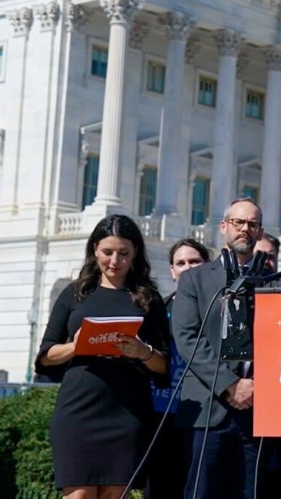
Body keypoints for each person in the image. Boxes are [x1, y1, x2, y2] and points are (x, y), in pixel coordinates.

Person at [36, 214, 171, 499]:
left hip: (127, 411)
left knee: (114, 494)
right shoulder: (75, 294)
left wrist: (142, 351)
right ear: (95, 249)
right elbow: (45, 356)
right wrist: (75, 346)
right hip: (79, 409)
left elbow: (163, 366)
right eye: (107, 252)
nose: (114, 261)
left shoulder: (148, 298)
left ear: (135, 253)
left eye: (123, 253)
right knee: (79, 495)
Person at [172, 197, 270, 499]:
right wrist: (231, 385)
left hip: (256, 410)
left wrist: (253, 387)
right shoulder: (194, 280)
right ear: (224, 226)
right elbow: (188, 338)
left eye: (252, 225)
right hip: (208, 411)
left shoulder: (273, 283)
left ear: (260, 232)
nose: (245, 229)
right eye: (239, 223)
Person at [146, 238, 211, 499]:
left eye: (194, 262)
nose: (187, 268)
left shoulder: (219, 306)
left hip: (202, 414)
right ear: (171, 271)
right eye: (180, 263)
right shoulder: (158, 308)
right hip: (162, 412)